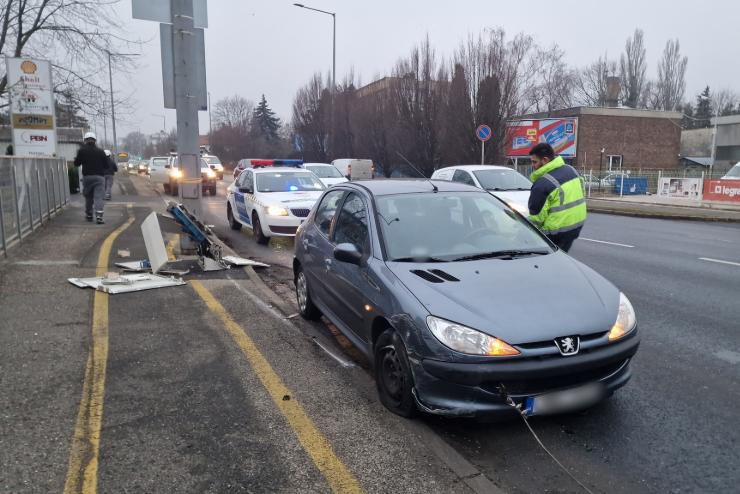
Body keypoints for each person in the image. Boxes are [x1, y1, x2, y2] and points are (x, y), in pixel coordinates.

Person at [527, 143, 587, 252]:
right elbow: (582, 194)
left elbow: (536, 219)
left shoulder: (542, 184)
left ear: (545, 160)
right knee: (561, 259)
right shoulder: (572, 170)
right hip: (575, 227)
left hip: (555, 233)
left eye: (534, 162)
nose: (532, 165)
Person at [74, 132, 110, 224]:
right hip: (99, 177)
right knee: (98, 197)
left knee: (88, 197)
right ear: (95, 141)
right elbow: (106, 165)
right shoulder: (101, 151)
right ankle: (99, 217)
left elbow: (76, 163)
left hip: (87, 177)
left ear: (85, 140)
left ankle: (89, 215)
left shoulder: (81, 151)